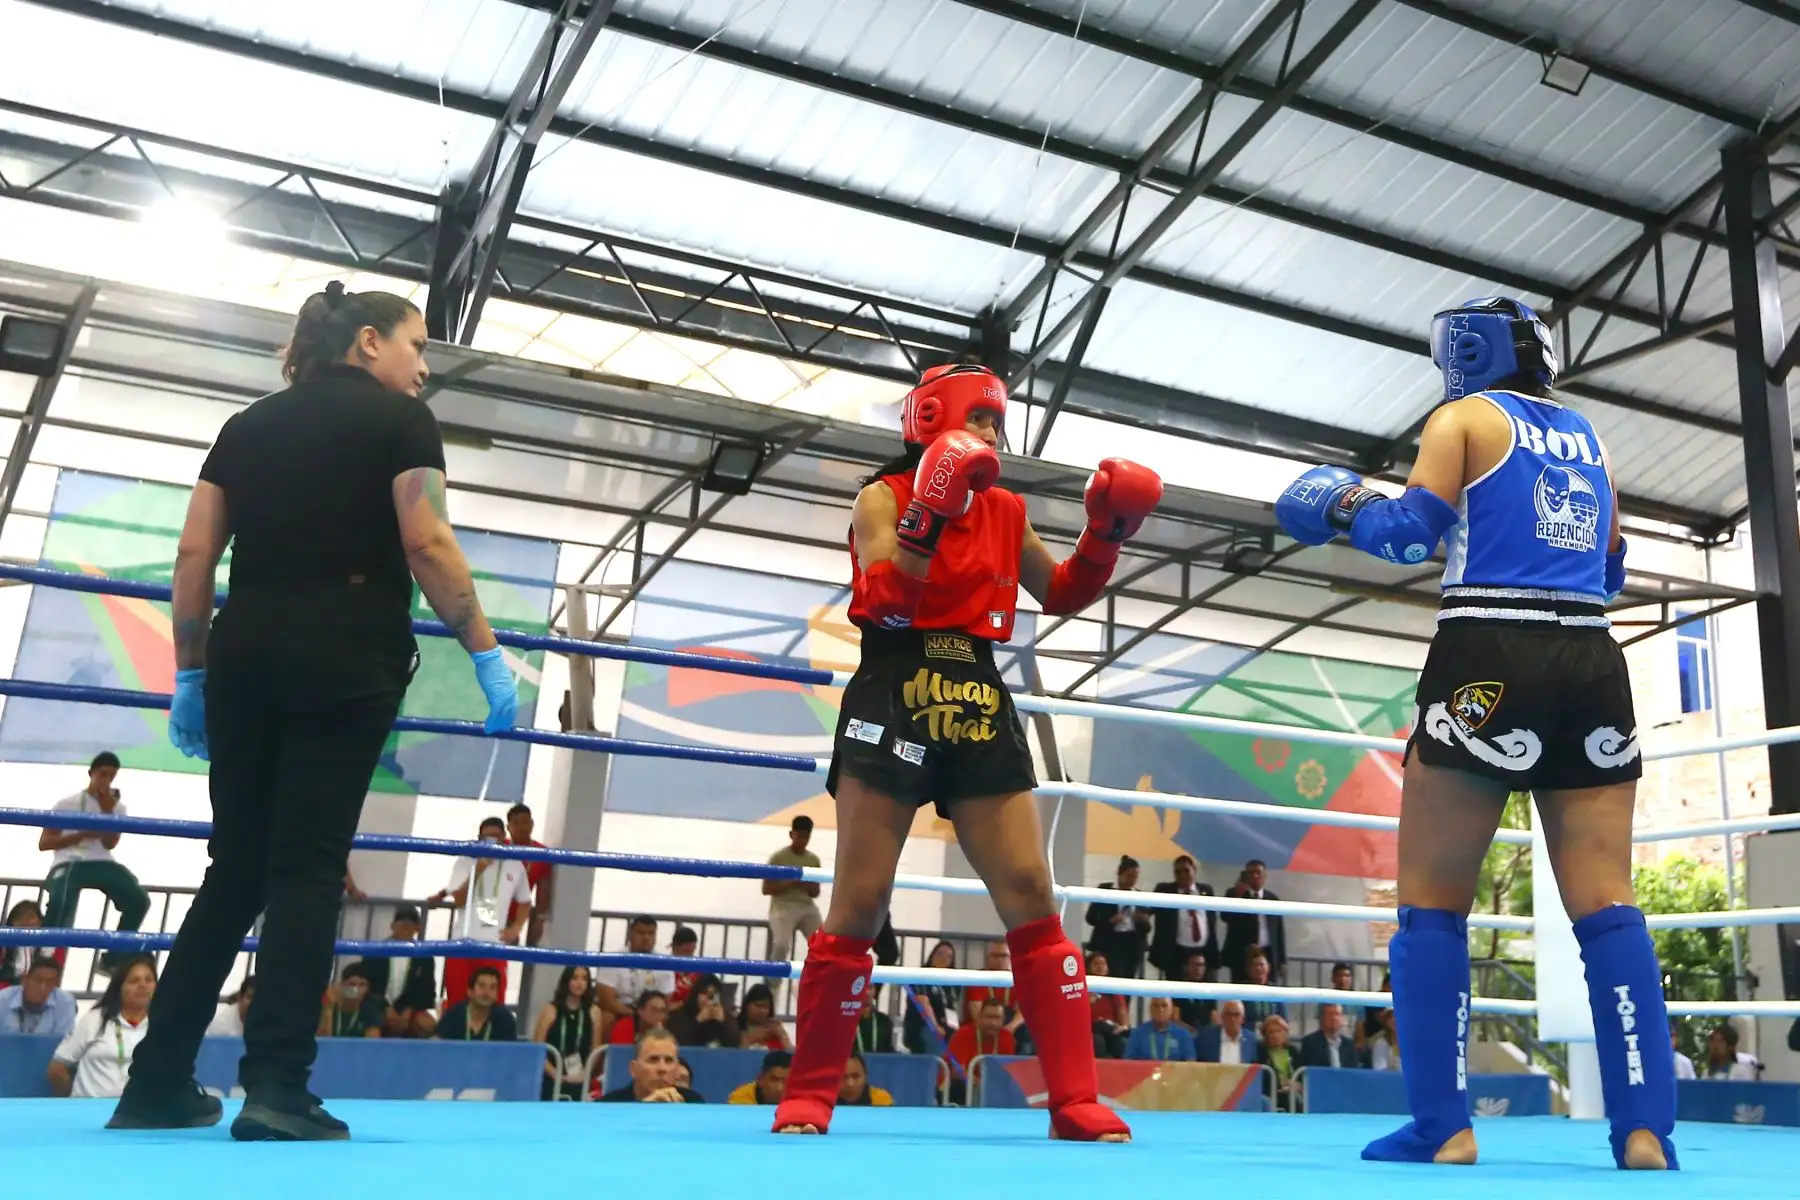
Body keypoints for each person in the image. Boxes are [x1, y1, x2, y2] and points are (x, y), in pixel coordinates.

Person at [1276, 296, 1675, 1171]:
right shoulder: (1590, 438)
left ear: (1464, 349)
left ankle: (1442, 1126)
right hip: (1590, 660)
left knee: (1432, 901)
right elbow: (1611, 566)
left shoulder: (1461, 417)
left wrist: (1339, 505)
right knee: (1608, 905)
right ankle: (1644, 1130)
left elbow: (1404, 535)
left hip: (1487, 653)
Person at [113, 283, 518, 1142]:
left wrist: (190, 675)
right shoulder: (401, 422)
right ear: (369, 343)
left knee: (237, 870)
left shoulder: (247, 425)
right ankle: (276, 1088)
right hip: (344, 652)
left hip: (245, 655)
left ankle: (155, 1083)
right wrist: (485, 649)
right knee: (305, 868)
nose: (424, 366)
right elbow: (427, 540)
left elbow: (194, 552)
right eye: (416, 346)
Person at [772, 361, 1161, 1141]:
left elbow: (1060, 594)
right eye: (978, 419)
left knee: (1028, 887)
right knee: (858, 902)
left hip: (978, 693)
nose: (991, 434)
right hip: (894, 685)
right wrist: (933, 509)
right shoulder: (880, 497)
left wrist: (1105, 535)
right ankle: (808, 1095)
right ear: (930, 419)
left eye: (995, 422)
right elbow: (885, 600)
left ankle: (1074, 1100)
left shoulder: (1007, 509)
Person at [39, 752, 151, 970]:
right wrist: (79, 835)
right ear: (91, 773)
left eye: (112, 776)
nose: (107, 780)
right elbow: (44, 842)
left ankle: (114, 959)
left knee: (139, 899)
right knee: (62, 898)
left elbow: (110, 844)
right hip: (68, 861)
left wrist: (108, 811)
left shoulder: (118, 808)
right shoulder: (66, 803)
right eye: (103, 774)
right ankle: (44, 954)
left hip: (102, 862)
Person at [50, 955, 156, 1098]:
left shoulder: (161, 1025)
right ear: (119, 987)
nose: (143, 986)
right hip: (90, 1110)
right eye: (134, 981)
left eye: (148, 980)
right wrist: (74, 1104)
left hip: (139, 1113)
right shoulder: (95, 1020)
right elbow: (56, 1069)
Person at [534, 965, 601, 1101]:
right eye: (575, 978)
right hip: (550, 1075)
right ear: (566, 981)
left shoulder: (594, 1011)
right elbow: (537, 1049)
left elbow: (596, 1050)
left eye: (584, 979)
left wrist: (585, 1074)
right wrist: (555, 1074)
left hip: (580, 1076)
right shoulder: (550, 1010)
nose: (579, 983)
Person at [764, 815, 823, 959]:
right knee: (781, 946)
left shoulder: (813, 860)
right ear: (792, 835)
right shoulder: (778, 858)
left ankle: (817, 979)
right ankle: (773, 981)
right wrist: (791, 882)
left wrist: (808, 884)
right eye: (800, 836)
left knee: (823, 945)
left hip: (807, 906)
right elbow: (766, 889)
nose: (803, 841)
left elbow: (815, 893)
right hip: (783, 906)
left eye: (806, 837)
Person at [600, 1028, 704, 1103]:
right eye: (653, 1060)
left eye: (668, 1060)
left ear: (677, 1070)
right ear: (633, 1069)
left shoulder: (693, 1103)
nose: (662, 1068)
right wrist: (643, 1109)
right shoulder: (609, 1105)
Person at [0, 955, 77, 1038]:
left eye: (49, 982)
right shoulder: (3, 1000)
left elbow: (65, 1043)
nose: (42, 987)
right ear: (24, 980)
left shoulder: (65, 1003)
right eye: (38, 980)